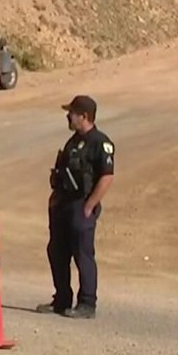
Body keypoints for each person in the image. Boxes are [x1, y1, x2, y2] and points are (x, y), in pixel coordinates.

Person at [36, 95, 115, 319]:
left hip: (82, 204)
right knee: (57, 251)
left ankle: (87, 303)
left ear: (84, 116)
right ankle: (61, 299)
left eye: (72, 113)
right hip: (64, 203)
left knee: (82, 254)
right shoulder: (73, 141)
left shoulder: (100, 143)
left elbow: (107, 178)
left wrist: (90, 206)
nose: (68, 116)